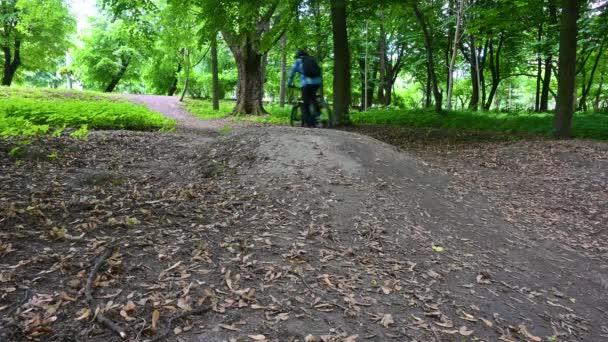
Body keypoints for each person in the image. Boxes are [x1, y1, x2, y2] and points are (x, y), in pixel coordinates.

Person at [288, 50, 323, 127]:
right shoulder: (313, 60)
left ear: (298, 56)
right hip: (317, 83)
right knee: (313, 99)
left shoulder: (298, 61)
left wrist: (289, 83)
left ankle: (310, 123)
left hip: (306, 84)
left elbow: (291, 72)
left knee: (306, 103)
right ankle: (318, 116)